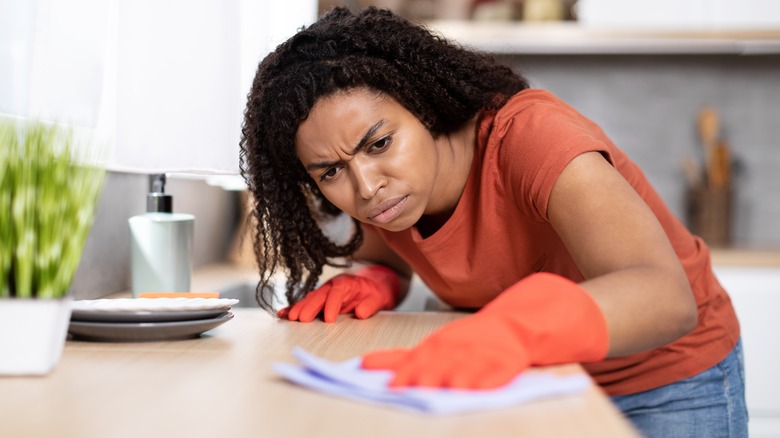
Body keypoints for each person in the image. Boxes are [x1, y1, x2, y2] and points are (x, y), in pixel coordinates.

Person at [239, 6, 746, 436]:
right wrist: (375, 277)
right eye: (330, 172)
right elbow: (392, 252)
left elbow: (664, 297)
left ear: (423, 106)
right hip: (538, 377)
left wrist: (516, 330)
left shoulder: (531, 137)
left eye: (379, 143)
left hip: (666, 380)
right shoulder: (389, 190)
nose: (366, 186)